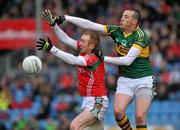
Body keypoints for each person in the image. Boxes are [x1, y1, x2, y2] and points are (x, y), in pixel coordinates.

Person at [41, 9, 155, 130]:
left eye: (126, 17)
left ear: (134, 21)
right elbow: (84, 28)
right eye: (122, 16)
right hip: (123, 80)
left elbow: (127, 61)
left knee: (140, 116)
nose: (121, 19)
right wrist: (60, 21)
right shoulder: (114, 32)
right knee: (118, 112)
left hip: (141, 80)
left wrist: (52, 49)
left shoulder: (140, 37)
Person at [36, 29, 109, 130]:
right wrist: (54, 25)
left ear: (91, 46)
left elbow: (74, 60)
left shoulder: (94, 57)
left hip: (97, 101)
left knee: (75, 126)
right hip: (89, 100)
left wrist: (52, 49)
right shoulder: (85, 50)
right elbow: (66, 39)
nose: (80, 43)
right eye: (81, 40)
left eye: (83, 41)